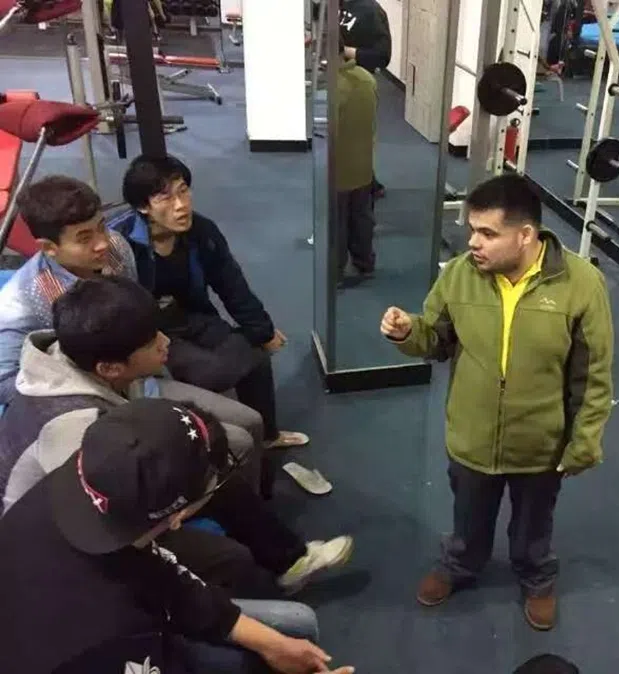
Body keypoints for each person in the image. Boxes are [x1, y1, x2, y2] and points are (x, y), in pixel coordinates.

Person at [0, 276, 353, 597]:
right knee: (228, 558)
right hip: (77, 540)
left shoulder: (89, 357)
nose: (165, 342)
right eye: (151, 343)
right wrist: (174, 510)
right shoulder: (72, 428)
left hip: (120, 489)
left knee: (219, 471)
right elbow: (105, 524)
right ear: (110, 368)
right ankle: (258, 610)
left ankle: (288, 562)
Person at [379, 174, 614, 630]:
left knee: (533, 526)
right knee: (468, 517)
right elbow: (436, 339)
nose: (473, 243)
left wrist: (584, 440)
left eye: (487, 233)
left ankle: (536, 576)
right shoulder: (459, 276)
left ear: (525, 235)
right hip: (472, 434)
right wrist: (408, 331)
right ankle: (461, 564)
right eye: (472, 230)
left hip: (540, 443)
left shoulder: (582, 284)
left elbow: (593, 375)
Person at [0, 397, 354, 674]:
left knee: (295, 626)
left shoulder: (79, 487)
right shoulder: (113, 633)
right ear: (178, 517)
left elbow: (165, 575)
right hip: (101, 652)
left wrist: (271, 643)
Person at [108, 155, 311, 454]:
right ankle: (207, 445)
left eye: (183, 191)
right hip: (150, 332)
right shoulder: (119, 242)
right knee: (210, 373)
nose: (181, 205)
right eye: (166, 197)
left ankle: (267, 435)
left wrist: (262, 330)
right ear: (143, 206)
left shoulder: (202, 231)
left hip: (192, 316)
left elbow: (231, 283)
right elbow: (115, 308)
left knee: (256, 353)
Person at [0, 175, 138, 404]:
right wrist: (84, 385)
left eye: (101, 227)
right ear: (49, 247)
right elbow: (4, 383)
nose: (103, 243)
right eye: (84, 239)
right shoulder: (23, 302)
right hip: (79, 397)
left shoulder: (116, 247)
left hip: (135, 372)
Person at [335, 33, 378, 282]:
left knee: (338, 222)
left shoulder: (336, 87)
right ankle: (365, 262)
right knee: (362, 216)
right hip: (364, 163)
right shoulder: (367, 78)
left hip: (340, 167)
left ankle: (336, 271)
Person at [338, 0, 391, 199]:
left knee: (359, 139)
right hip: (337, 79)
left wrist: (344, 51)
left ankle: (366, 186)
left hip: (359, 84)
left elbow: (382, 56)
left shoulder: (372, 11)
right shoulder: (337, 5)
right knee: (341, 138)